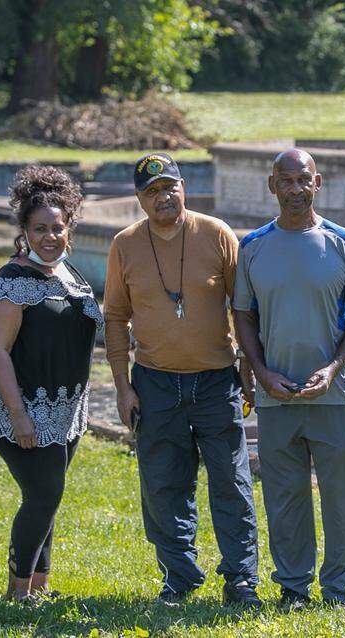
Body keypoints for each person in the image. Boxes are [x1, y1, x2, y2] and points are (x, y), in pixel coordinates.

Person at [104, 153, 261, 609]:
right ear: (139, 199)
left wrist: (247, 367)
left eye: (170, 186)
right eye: (152, 191)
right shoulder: (124, 244)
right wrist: (121, 385)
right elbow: (115, 317)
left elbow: (243, 309)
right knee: (162, 483)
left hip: (215, 381)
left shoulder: (216, 234)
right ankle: (180, 575)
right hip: (154, 382)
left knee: (231, 482)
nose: (163, 197)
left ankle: (241, 579)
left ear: (184, 187)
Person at [233, 148, 345, 608]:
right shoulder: (253, 246)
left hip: (335, 395)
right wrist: (259, 372)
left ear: (318, 184)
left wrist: (333, 369)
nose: (295, 189)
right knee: (284, 498)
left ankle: (339, 588)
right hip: (276, 395)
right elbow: (243, 315)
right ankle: (293, 587)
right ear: (271, 185)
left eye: (304, 180)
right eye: (286, 180)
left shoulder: (344, 243)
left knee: (342, 498)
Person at [0, 165, 100, 602]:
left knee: (50, 494)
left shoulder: (70, 276)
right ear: (24, 232)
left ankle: (39, 585)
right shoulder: (13, 281)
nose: (50, 236)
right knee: (44, 492)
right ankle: (17, 591)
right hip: (24, 410)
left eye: (58, 228)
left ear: (70, 228)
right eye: (40, 229)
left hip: (67, 409)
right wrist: (19, 415)